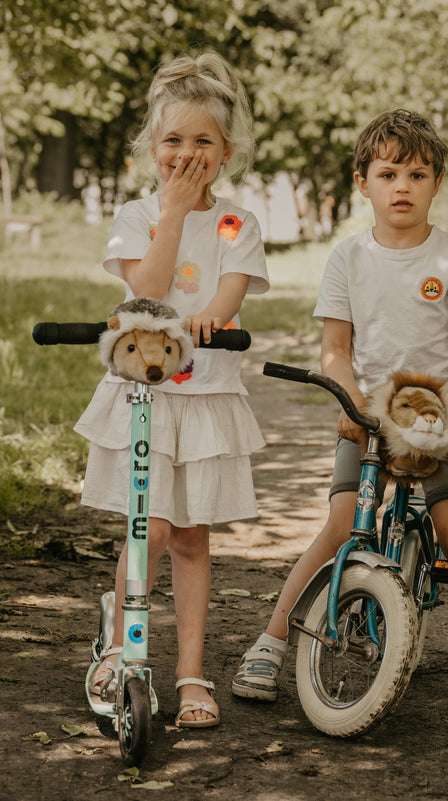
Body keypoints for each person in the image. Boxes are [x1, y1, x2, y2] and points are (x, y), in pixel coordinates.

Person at [232, 109, 448, 722]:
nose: (402, 187)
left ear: (437, 183)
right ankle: (271, 642)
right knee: (341, 525)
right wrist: (350, 400)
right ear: (362, 182)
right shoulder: (348, 258)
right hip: (370, 416)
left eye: (417, 175)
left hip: (436, 419)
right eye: (388, 173)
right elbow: (335, 350)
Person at [75, 50, 269, 728]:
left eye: (203, 141)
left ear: (227, 151)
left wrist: (211, 314)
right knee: (148, 526)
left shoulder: (238, 223)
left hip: (205, 397)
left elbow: (228, 293)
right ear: (151, 147)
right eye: (174, 140)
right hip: (146, 395)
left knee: (190, 537)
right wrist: (176, 213)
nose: (187, 154)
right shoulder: (136, 216)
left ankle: (190, 672)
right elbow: (148, 292)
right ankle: (122, 647)